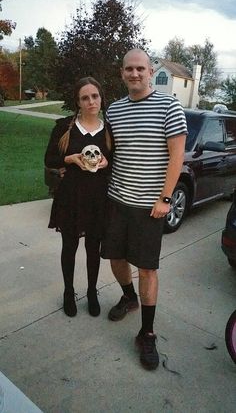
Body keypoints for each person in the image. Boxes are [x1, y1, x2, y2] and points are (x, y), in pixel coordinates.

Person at [101, 49, 188, 370]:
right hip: (117, 200)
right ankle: (128, 297)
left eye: (140, 68)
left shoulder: (169, 106)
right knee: (116, 258)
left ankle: (147, 333)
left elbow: (176, 156)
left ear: (151, 71)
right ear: (121, 72)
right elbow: (110, 152)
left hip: (150, 207)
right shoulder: (115, 110)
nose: (134, 74)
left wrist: (165, 198)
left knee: (148, 269)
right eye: (129, 69)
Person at [44, 77, 111, 318]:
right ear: (78, 102)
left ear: (101, 99)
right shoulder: (64, 127)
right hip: (70, 197)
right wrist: (69, 159)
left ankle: (92, 292)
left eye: (95, 96)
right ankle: (68, 292)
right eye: (85, 97)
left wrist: (106, 162)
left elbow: (115, 163)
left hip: (97, 199)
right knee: (69, 247)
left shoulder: (108, 130)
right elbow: (50, 159)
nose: (91, 101)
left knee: (93, 248)